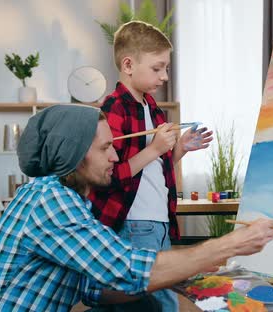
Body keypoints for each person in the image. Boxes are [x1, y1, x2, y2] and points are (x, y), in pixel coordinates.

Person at [0, 105, 273, 311]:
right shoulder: (50, 201)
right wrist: (230, 244)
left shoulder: (60, 198)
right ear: (76, 155)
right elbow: (127, 270)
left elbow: (95, 288)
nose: (115, 157)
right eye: (106, 148)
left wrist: (179, 276)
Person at [89, 21, 212, 311]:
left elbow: (153, 167)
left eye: (166, 68)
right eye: (158, 68)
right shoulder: (113, 108)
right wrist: (156, 147)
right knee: (156, 300)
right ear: (129, 65)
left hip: (157, 220)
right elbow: (111, 176)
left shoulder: (151, 108)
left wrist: (178, 148)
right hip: (134, 221)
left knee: (148, 295)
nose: (165, 76)